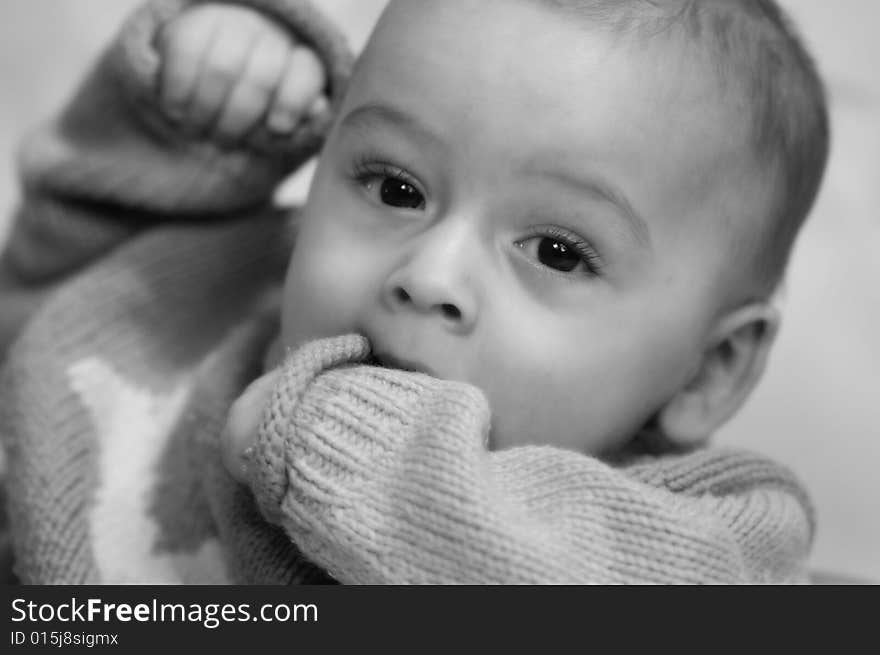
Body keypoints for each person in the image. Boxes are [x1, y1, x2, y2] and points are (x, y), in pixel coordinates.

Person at [0, 0, 828, 584]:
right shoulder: (230, 293)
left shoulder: (702, 537)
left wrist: (345, 455)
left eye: (557, 250)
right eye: (395, 187)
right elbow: (47, 303)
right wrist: (189, 133)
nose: (428, 277)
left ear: (706, 370)